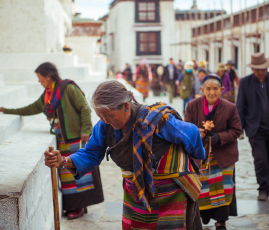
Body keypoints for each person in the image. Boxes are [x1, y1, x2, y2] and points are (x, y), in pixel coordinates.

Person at [45, 80, 206, 230]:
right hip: (137, 191)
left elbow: (191, 134)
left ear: (126, 106)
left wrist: (195, 165)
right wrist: (64, 161)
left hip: (171, 192)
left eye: (109, 115)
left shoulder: (156, 121)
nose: (105, 120)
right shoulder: (103, 126)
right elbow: (91, 153)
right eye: (100, 116)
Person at [0, 62, 104, 220]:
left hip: (75, 137)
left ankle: (80, 206)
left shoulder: (67, 88)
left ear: (48, 76)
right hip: (62, 138)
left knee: (79, 171)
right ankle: (75, 205)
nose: (39, 81)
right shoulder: (48, 94)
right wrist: (6, 110)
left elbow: (85, 108)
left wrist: (86, 130)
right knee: (67, 174)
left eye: (40, 78)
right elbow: (31, 108)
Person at [185, 74, 242, 230]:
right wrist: (197, 132)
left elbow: (237, 130)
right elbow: (186, 128)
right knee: (202, 188)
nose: (211, 92)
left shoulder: (230, 107)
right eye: (208, 89)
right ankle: (202, 217)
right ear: (202, 90)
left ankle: (221, 221)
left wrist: (219, 137)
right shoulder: (192, 105)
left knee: (223, 189)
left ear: (221, 90)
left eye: (215, 88)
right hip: (200, 154)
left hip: (223, 155)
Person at [236, 52, 269, 201]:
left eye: (264, 69)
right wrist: (239, 128)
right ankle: (263, 189)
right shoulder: (245, 82)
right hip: (255, 128)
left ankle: (264, 177)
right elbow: (240, 107)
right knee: (260, 159)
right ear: (253, 69)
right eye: (258, 69)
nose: (261, 72)